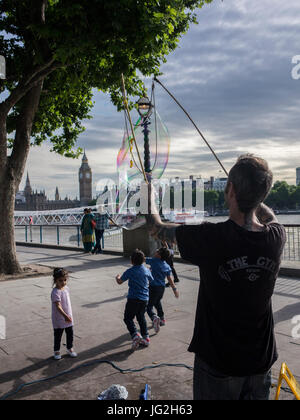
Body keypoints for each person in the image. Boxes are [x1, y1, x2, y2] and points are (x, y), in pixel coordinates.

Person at [146, 154, 286, 400]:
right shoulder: (276, 236)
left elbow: (156, 228)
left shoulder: (211, 237)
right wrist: (254, 194)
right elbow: (269, 216)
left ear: (229, 189)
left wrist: (149, 196)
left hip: (220, 361)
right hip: (260, 358)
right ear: (263, 194)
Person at [116, 249, 153, 350]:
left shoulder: (130, 271)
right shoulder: (146, 270)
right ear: (143, 260)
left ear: (131, 261)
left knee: (128, 318)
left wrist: (117, 277)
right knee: (141, 317)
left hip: (133, 299)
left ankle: (135, 334)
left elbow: (120, 281)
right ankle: (146, 338)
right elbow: (151, 279)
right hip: (144, 299)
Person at [146, 247, 179, 333]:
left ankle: (154, 318)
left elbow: (142, 259)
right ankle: (162, 318)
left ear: (159, 256)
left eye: (158, 251)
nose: (156, 251)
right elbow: (170, 279)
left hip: (153, 288)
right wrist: (175, 290)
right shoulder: (166, 265)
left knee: (148, 306)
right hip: (162, 288)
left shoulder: (153, 261)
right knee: (157, 302)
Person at [51, 268, 77, 360]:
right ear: (55, 280)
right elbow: (58, 306)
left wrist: (68, 315)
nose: (63, 282)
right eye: (60, 280)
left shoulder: (66, 288)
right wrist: (65, 316)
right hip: (59, 317)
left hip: (68, 315)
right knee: (58, 334)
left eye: (65, 280)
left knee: (70, 333)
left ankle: (69, 348)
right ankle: (56, 350)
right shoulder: (55, 292)